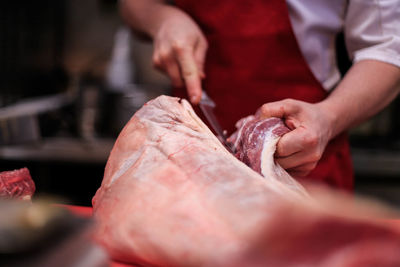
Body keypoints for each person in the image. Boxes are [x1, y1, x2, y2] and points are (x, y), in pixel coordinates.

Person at [120, 0, 400, 191]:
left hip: (303, 162)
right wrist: (162, 19)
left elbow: (388, 47)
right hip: (184, 165)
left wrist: (327, 119)